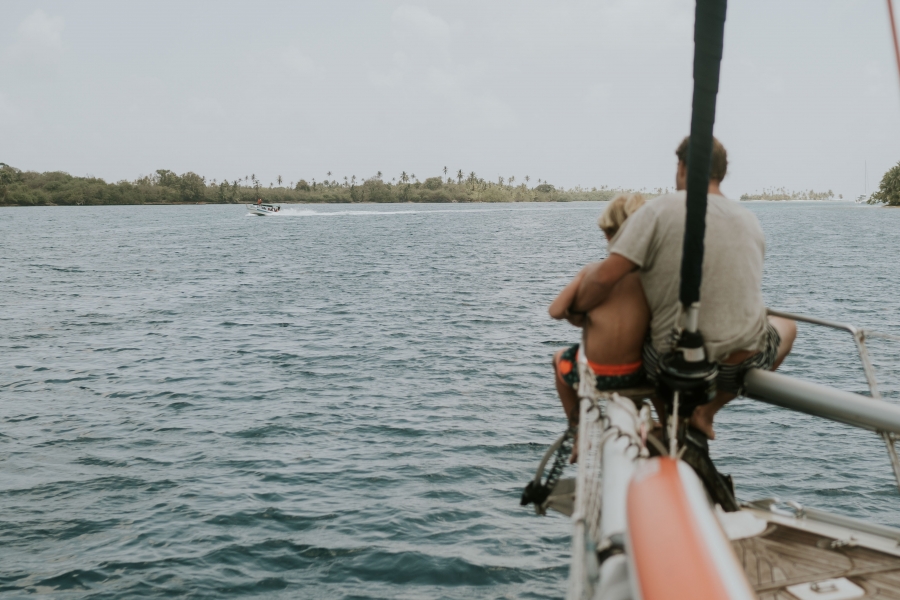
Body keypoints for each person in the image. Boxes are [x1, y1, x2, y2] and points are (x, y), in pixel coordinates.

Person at [565, 137, 796, 440]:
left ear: (683, 167)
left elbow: (605, 277)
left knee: (644, 331)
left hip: (669, 365)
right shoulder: (749, 220)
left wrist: (578, 309)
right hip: (738, 363)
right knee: (787, 326)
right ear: (721, 174)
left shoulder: (658, 210)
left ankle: (668, 418)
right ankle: (707, 411)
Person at [549, 194, 650, 433]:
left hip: (596, 374)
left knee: (559, 359)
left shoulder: (592, 272)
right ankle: (663, 428)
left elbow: (555, 310)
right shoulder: (650, 278)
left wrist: (577, 314)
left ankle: (577, 430)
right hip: (638, 375)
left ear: (607, 234)